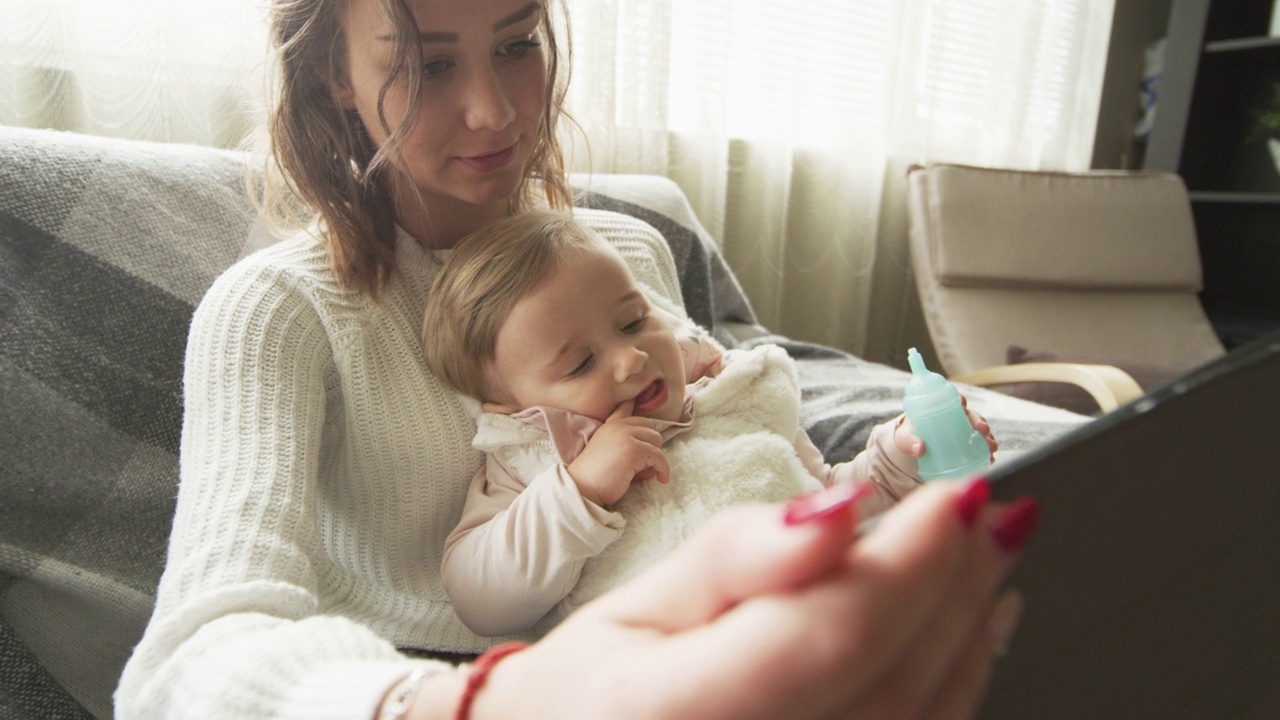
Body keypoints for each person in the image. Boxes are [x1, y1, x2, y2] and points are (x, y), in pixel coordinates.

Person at [113, 0, 1038, 718]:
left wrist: (881, 476)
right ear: (332, 75)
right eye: (430, 65)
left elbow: (738, 469)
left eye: (518, 43)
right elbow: (188, 665)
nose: (494, 111)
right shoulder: (277, 312)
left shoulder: (624, 252)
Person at [422, 210, 998, 636]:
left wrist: (900, 457)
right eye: (579, 363)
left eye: (632, 321)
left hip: (820, 632)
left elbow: (831, 502)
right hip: (673, 677)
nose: (630, 359)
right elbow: (480, 600)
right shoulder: (531, 462)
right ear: (514, 410)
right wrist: (581, 491)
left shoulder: (735, 400)